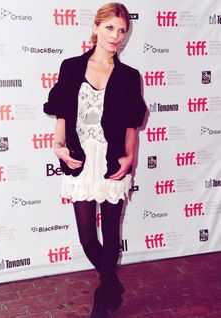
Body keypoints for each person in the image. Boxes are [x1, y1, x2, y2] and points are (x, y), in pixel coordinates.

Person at [43, 3, 146, 318]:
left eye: (121, 31)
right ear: (96, 28)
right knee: (88, 237)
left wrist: (129, 158)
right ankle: (112, 282)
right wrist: (57, 145)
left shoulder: (129, 76)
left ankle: (103, 298)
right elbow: (61, 110)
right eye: (110, 28)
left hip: (111, 158)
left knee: (112, 231)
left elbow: (132, 123)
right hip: (79, 158)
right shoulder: (72, 67)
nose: (115, 36)